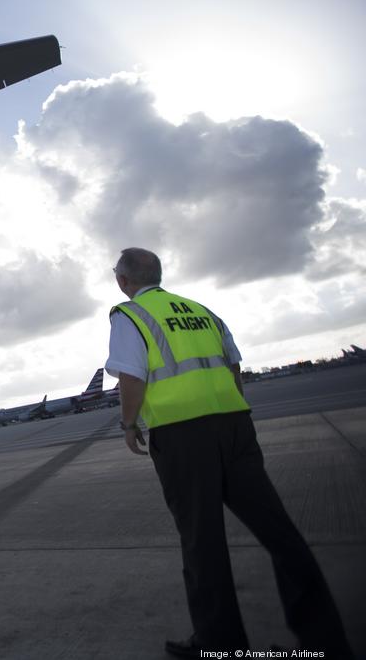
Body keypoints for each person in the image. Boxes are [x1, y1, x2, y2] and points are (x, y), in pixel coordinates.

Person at [105, 247, 352, 659]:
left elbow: (133, 376)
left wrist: (129, 424)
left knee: (203, 543)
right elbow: (234, 367)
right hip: (235, 426)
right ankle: (324, 639)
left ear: (123, 281)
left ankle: (221, 644)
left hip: (182, 435)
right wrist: (231, 415)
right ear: (159, 275)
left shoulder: (128, 315)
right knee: (279, 531)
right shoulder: (202, 310)